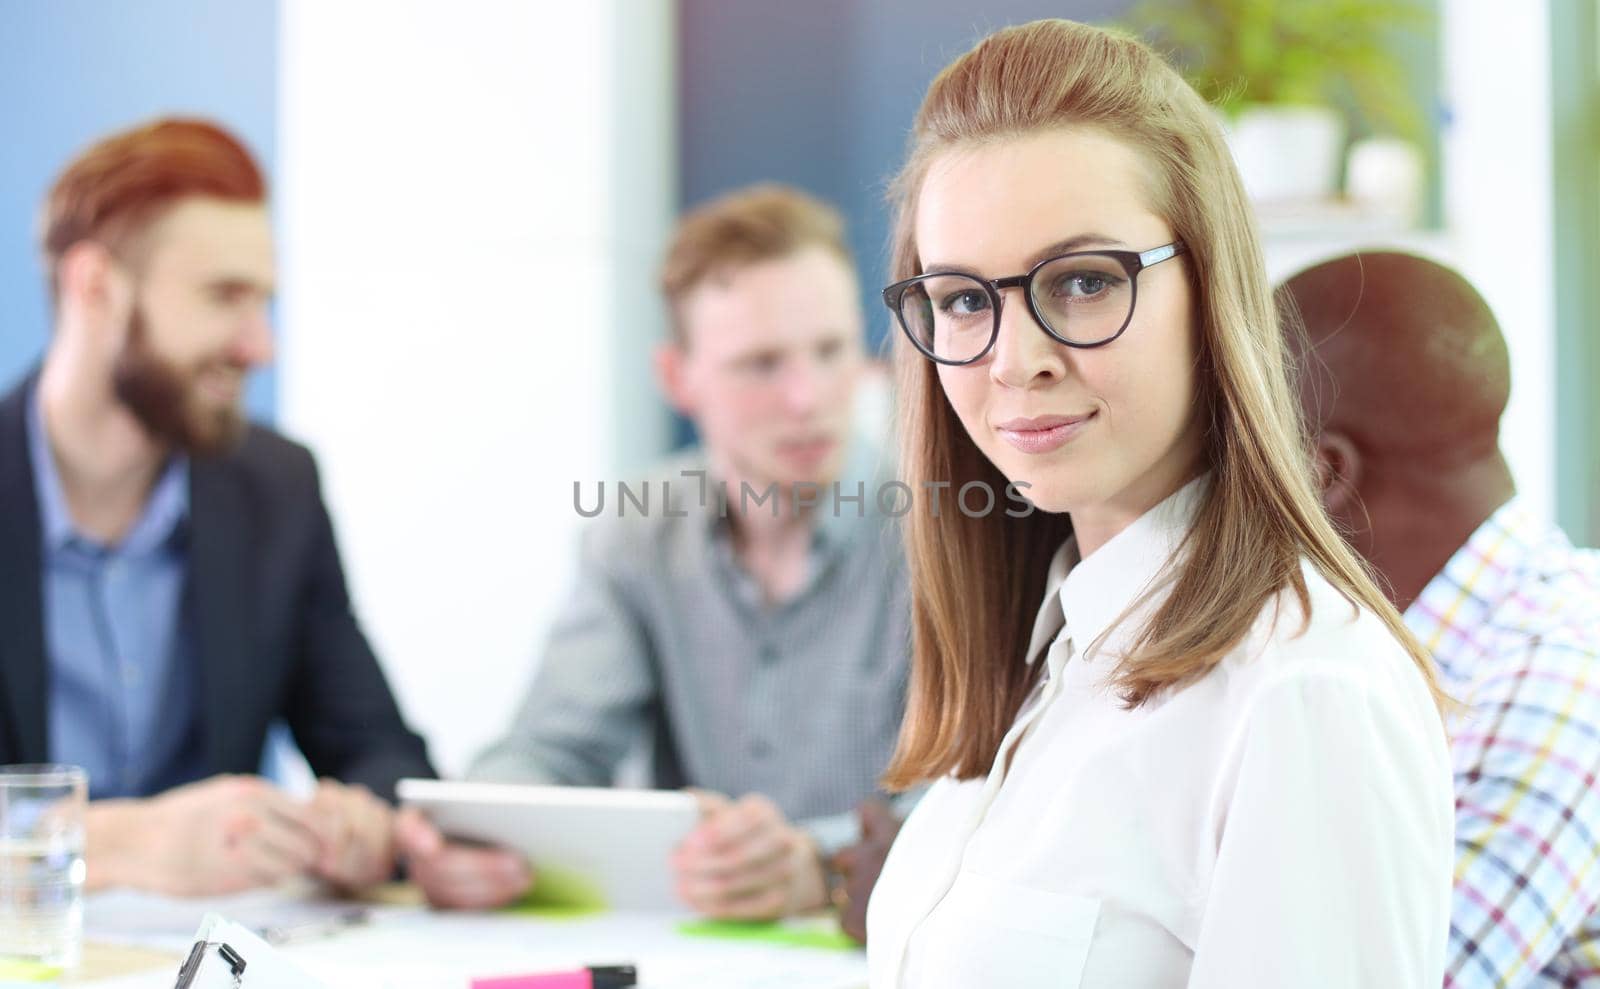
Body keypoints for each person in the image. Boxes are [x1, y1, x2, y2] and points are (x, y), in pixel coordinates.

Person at [861, 19, 1455, 987]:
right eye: (965, 299)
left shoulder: (1303, 692)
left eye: (1084, 281)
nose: (1017, 360)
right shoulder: (1049, 652)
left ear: (1211, 288)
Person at [400, 184, 911, 918]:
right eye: (761, 364)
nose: (807, 397)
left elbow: (984, 802)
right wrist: (470, 828)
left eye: (831, 351)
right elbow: (554, 748)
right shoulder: (637, 536)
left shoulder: (941, 538)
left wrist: (821, 859)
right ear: (679, 377)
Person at [0, 117, 439, 897]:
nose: (258, 345)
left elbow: (381, 753)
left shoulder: (277, 487)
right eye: (223, 297)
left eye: (262, 301)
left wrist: (362, 823)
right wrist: (112, 840)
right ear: (94, 285)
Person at [1282, 251, 1600, 989]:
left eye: (1247, 453)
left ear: (1326, 474)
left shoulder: (1562, 667)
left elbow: (1393, 975)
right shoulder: (1386, 648)